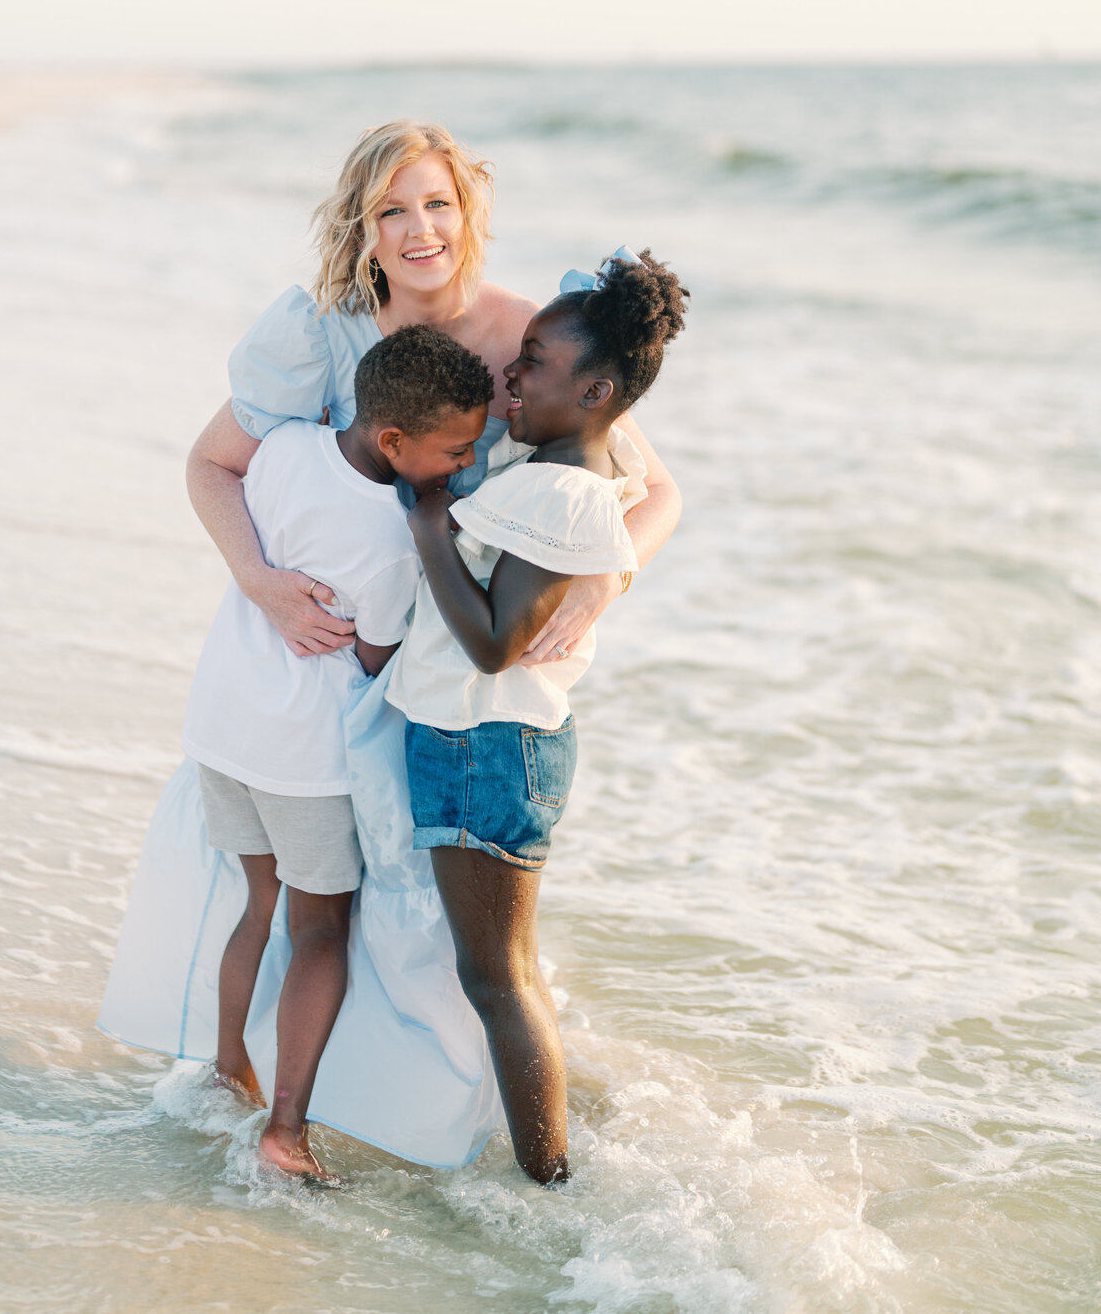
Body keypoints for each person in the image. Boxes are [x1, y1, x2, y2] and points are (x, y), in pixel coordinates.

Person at [99, 122, 683, 1171]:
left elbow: (653, 490)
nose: (421, 230)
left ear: (471, 210)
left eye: (439, 204)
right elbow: (211, 465)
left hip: (464, 679)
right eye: (394, 209)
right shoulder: (319, 336)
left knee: (447, 935)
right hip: (333, 673)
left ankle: (472, 1134)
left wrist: (601, 582)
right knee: (341, 911)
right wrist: (263, 585)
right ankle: (342, 1113)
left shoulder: (529, 340)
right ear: (363, 229)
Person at [391, 249, 688, 1183]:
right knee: (507, 968)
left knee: (497, 977)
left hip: (483, 742)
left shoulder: (558, 492)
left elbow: (491, 642)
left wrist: (429, 517)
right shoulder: (574, 460)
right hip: (494, 741)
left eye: (532, 362)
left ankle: (548, 1181)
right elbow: (638, 463)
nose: (508, 374)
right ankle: (549, 1146)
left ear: (596, 390)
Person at [182, 325, 492, 1180]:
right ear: (394, 441)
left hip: (224, 725)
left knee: (256, 903)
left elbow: (233, 491)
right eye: (455, 449)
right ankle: (285, 1128)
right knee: (320, 929)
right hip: (305, 757)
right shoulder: (398, 535)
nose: (463, 465)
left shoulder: (281, 447)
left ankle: (225, 1070)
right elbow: (375, 651)